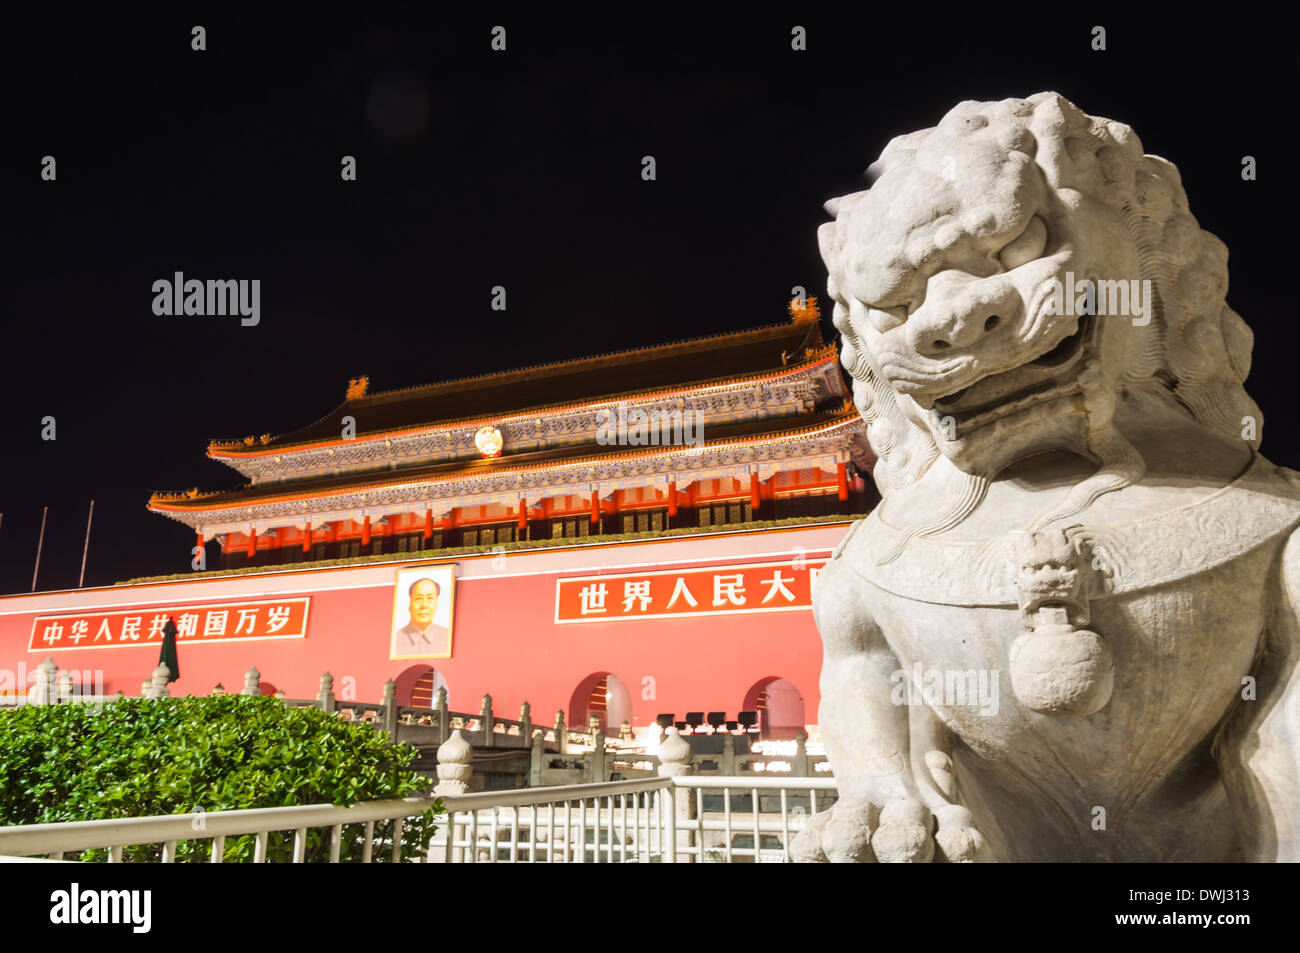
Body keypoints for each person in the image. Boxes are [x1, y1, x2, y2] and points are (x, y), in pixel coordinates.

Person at [393, 577, 449, 656]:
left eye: (430, 598)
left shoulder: (447, 637)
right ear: (409, 603)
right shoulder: (395, 640)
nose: (424, 605)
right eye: (418, 598)